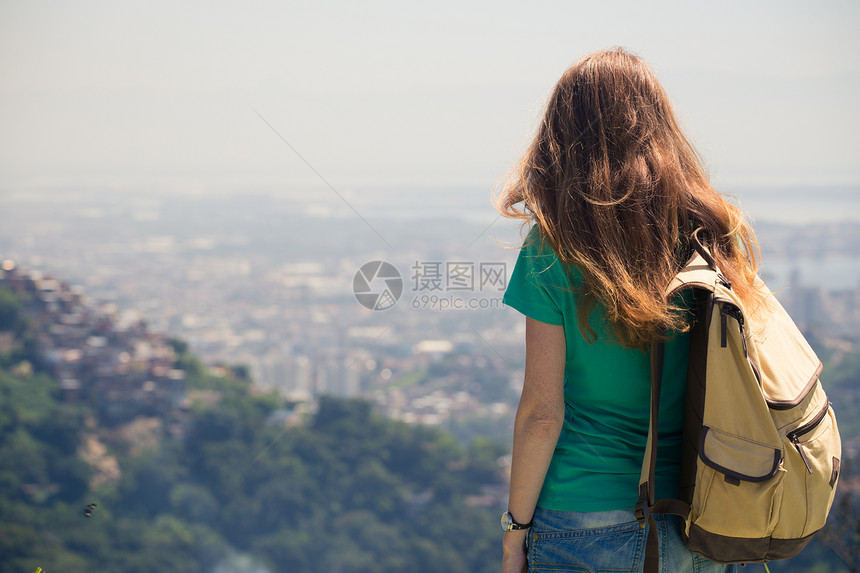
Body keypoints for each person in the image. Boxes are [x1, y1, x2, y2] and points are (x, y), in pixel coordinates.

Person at [497, 48, 760, 572]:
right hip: (702, 508)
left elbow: (543, 414)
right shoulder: (713, 230)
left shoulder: (554, 245)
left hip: (583, 514)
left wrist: (514, 532)